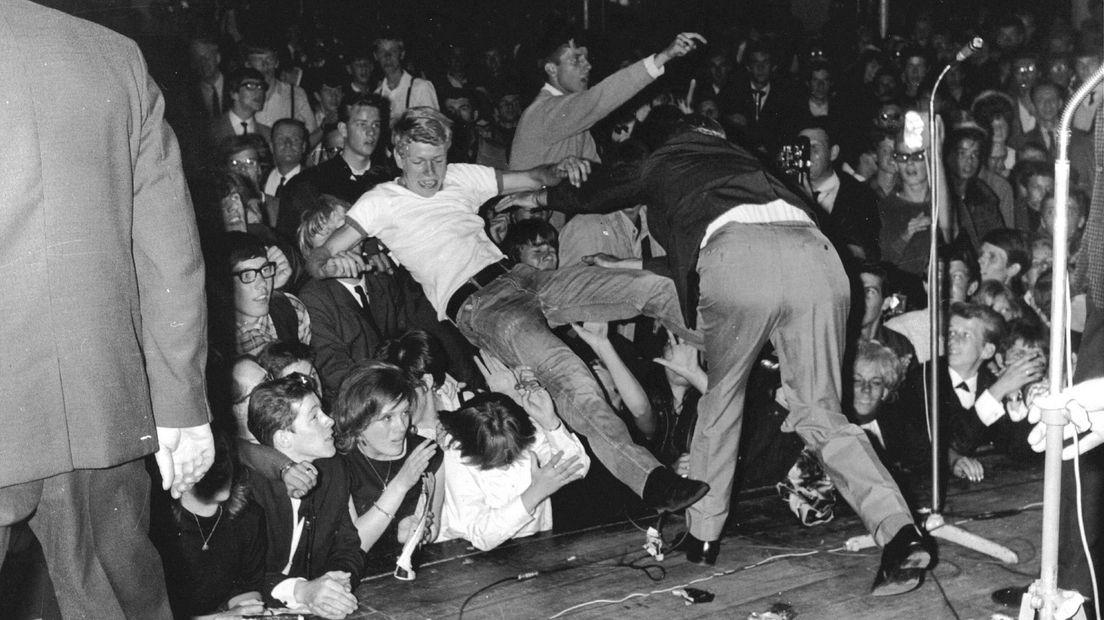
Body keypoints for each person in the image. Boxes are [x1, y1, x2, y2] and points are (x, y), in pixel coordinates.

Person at [544, 113, 932, 595]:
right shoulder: (755, 165)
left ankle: (703, 534)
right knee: (820, 410)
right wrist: (628, 262)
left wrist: (536, 194)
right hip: (820, 260)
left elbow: (593, 195)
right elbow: (746, 233)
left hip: (741, 259)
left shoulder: (669, 155)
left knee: (723, 399)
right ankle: (898, 531)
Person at [307, 107, 708, 516]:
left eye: (438, 160)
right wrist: (332, 262)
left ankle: (737, 347)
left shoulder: (460, 177)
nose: (430, 173)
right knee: (572, 378)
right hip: (480, 306)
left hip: (525, 276)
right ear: (397, 155)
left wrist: (560, 167)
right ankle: (652, 482)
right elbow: (318, 255)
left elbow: (537, 176)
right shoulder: (381, 202)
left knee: (648, 286)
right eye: (418, 162)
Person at [0, 3, 213, 618]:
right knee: (120, 600)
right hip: (101, 399)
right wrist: (180, 405)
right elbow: (171, 250)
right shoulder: (112, 54)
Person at [245, 374, 363, 619]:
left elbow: (348, 547)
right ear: (284, 438)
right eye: (315, 417)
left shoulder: (333, 471)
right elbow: (242, 578)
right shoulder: (250, 489)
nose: (329, 420)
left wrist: (335, 580)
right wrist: (302, 590)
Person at [436, 389, 590, 551]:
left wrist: (551, 424)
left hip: (535, 543)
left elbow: (577, 470)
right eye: (495, 459)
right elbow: (478, 534)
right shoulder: (456, 453)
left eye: (512, 455)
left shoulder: (522, 431)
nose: (507, 465)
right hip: (471, 555)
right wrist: (535, 492)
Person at [332, 362, 444, 563]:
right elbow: (352, 545)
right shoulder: (338, 463)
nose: (401, 426)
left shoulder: (427, 453)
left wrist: (418, 533)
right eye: (387, 418)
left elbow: (432, 528)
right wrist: (401, 484)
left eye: (404, 412)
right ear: (357, 421)